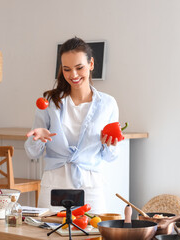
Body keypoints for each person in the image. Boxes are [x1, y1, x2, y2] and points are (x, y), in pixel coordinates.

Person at [24, 37, 119, 214]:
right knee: (48, 233)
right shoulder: (50, 102)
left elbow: (110, 157)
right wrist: (39, 139)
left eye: (79, 67)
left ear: (90, 64)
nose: (73, 75)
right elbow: (32, 152)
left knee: (92, 233)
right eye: (67, 69)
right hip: (54, 184)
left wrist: (109, 144)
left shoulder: (108, 104)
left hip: (90, 187)